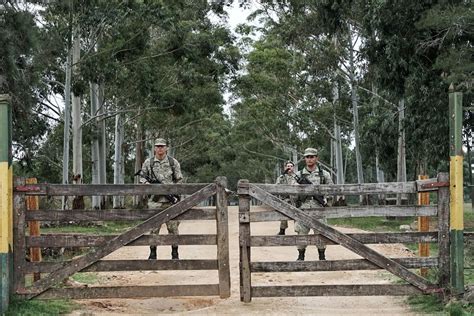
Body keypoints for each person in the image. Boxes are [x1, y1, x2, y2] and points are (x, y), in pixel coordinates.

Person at [139, 138, 183, 260]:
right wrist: (146, 184)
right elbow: (142, 177)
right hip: (154, 202)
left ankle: (175, 253)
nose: (160, 148)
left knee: (173, 229)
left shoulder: (173, 162)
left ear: (166, 148)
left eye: (162, 146)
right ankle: (153, 253)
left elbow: (179, 180)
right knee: (153, 229)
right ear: (154, 148)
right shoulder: (149, 162)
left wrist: (173, 191)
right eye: (157, 146)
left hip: (170, 202)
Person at [294, 147, 333, 261]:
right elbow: (292, 192)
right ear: (304, 159)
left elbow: (331, 189)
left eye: (312, 157)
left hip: (318, 208)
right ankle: (301, 256)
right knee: (301, 233)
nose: (309, 159)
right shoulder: (299, 174)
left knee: (321, 234)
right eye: (307, 157)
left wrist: (327, 201)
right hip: (303, 208)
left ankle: (322, 256)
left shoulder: (324, 174)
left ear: (316, 158)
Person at [275, 160, 298, 235]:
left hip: (295, 200)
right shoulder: (281, 177)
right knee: (283, 215)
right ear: (285, 167)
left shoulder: (296, 176)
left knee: (298, 215)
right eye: (288, 166)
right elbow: (276, 186)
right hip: (285, 199)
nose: (289, 168)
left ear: (293, 168)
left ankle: (299, 231)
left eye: (291, 166)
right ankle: (282, 230)